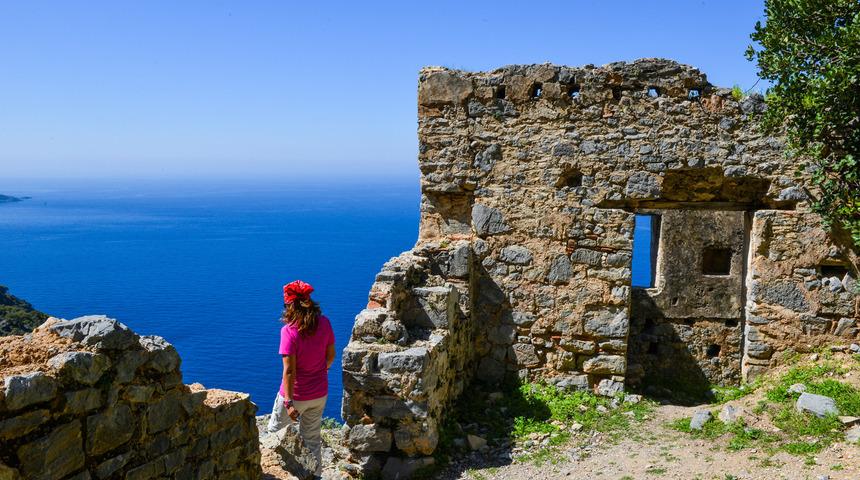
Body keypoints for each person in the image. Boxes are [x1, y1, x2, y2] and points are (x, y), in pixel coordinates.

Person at [267, 280, 335, 476]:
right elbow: (331, 356)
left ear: (290, 305)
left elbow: (289, 371)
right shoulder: (324, 323)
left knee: (275, 435)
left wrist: (288, 402)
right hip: (319, 393)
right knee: (312, 439)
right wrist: (320, 371)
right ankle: (316, 476)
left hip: (295, 396)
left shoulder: (289, 331)